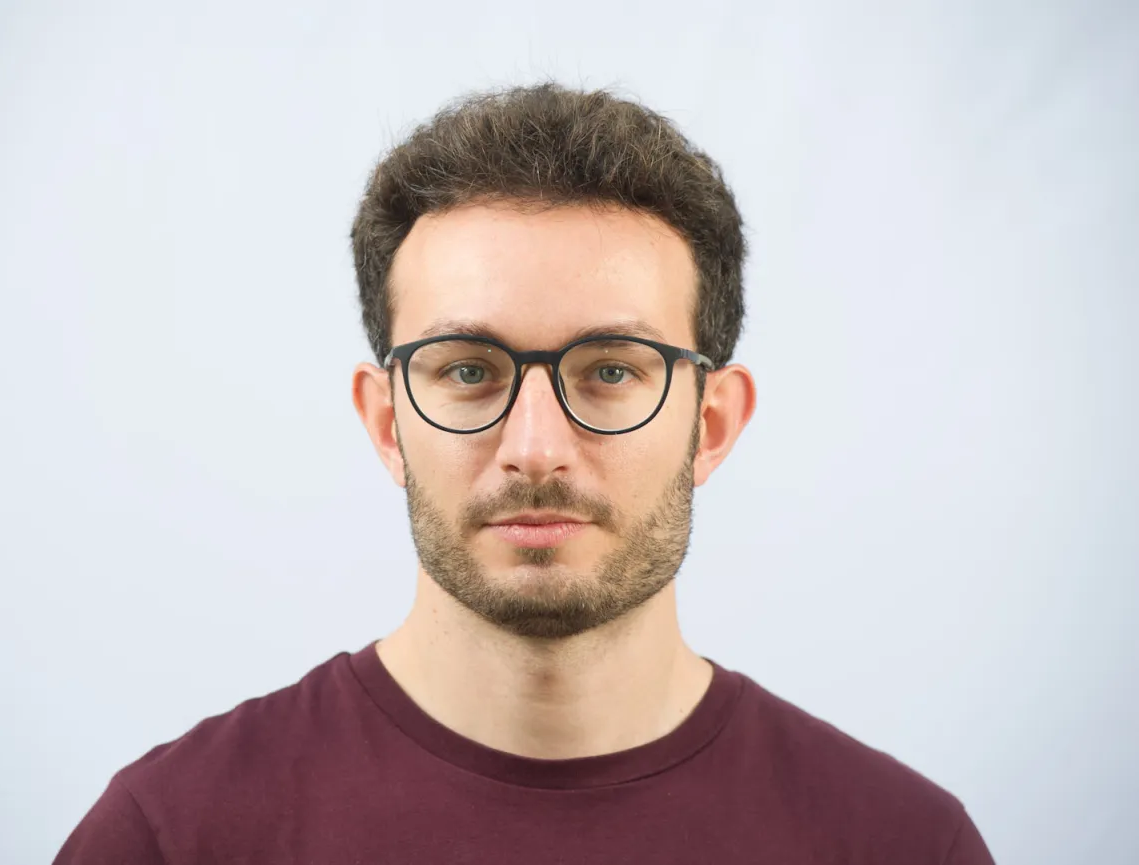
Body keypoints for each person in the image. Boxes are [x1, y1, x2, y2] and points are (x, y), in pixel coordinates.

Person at [54, 82, 995, 864]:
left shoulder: (902, 844)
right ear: (386, 421)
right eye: (469, 371)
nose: (536, 447)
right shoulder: (173, 839)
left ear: (711, 422)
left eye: (613, 370)